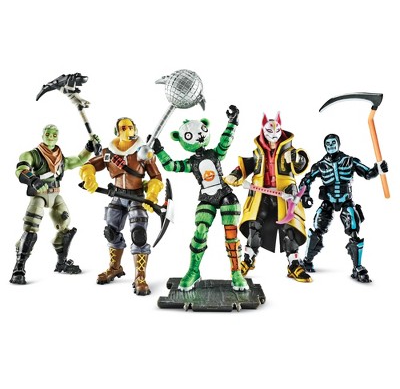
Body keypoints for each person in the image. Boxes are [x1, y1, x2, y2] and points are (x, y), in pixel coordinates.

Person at [153, 105, 248, 291]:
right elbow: (171, 166)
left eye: (201, 131)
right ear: (180, 139)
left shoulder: (214, 154)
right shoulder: (191, 162)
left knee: (231, 233)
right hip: (206, 197)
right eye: (190, 135)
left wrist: (232, 122)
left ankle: (236, 272)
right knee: (201, 230)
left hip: (226, 194)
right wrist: (159, 150)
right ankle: (193, 271)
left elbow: (225, 142)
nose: (198, 137)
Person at [80, 117, 163, 295]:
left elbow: (156, 176)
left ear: (135, 129)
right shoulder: (109, 152)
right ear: (117, 131)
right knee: (111, 232)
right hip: (117, 196)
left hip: (137, 197)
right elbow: (90, 164)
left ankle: (140, 276)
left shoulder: (143, 152)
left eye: (130, 127)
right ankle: (114, 267)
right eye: (123, 128)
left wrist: (152, 194)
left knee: (139, 235)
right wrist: (89, 177)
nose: (127, 130)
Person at [225, 112, 312, 282]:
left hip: (285, 194)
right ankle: (248, 260)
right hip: (260, 194)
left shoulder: (289, 151)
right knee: (254, 226)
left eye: (276, 132)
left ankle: (294, 264)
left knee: (289, 228)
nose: (273, 137)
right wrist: (235, 175)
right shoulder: (258, 152)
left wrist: (296, 158)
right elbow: (247, 165)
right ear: (263, 132)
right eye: (269, 132)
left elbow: (301, 164)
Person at [11, 124, 98, 284]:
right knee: (31, 226)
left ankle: (61, 263)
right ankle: (19, 267)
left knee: (65, 223)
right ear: (43, 135)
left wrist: (89, 148)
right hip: (39, 194)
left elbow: (79, 160)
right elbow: (21, 169)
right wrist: (33, 179)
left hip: (55, 194)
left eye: (54, 135)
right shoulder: (32, 155)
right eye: (48, 134)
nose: (51, 137)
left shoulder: (61, 158)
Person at [299, 133, 388, 283]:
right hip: (328, 201)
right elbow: (306, 180)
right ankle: (307, 261)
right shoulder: (321, 165)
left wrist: (378, 169)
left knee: (353, 230)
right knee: (317, 229)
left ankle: (357, 267)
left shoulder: (349, 161)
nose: (331, 146)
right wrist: (305, 195)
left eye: (333, 143)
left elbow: (367, 173)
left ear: (338, 144)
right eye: (328, 144)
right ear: (324, 146)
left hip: (346, 201)